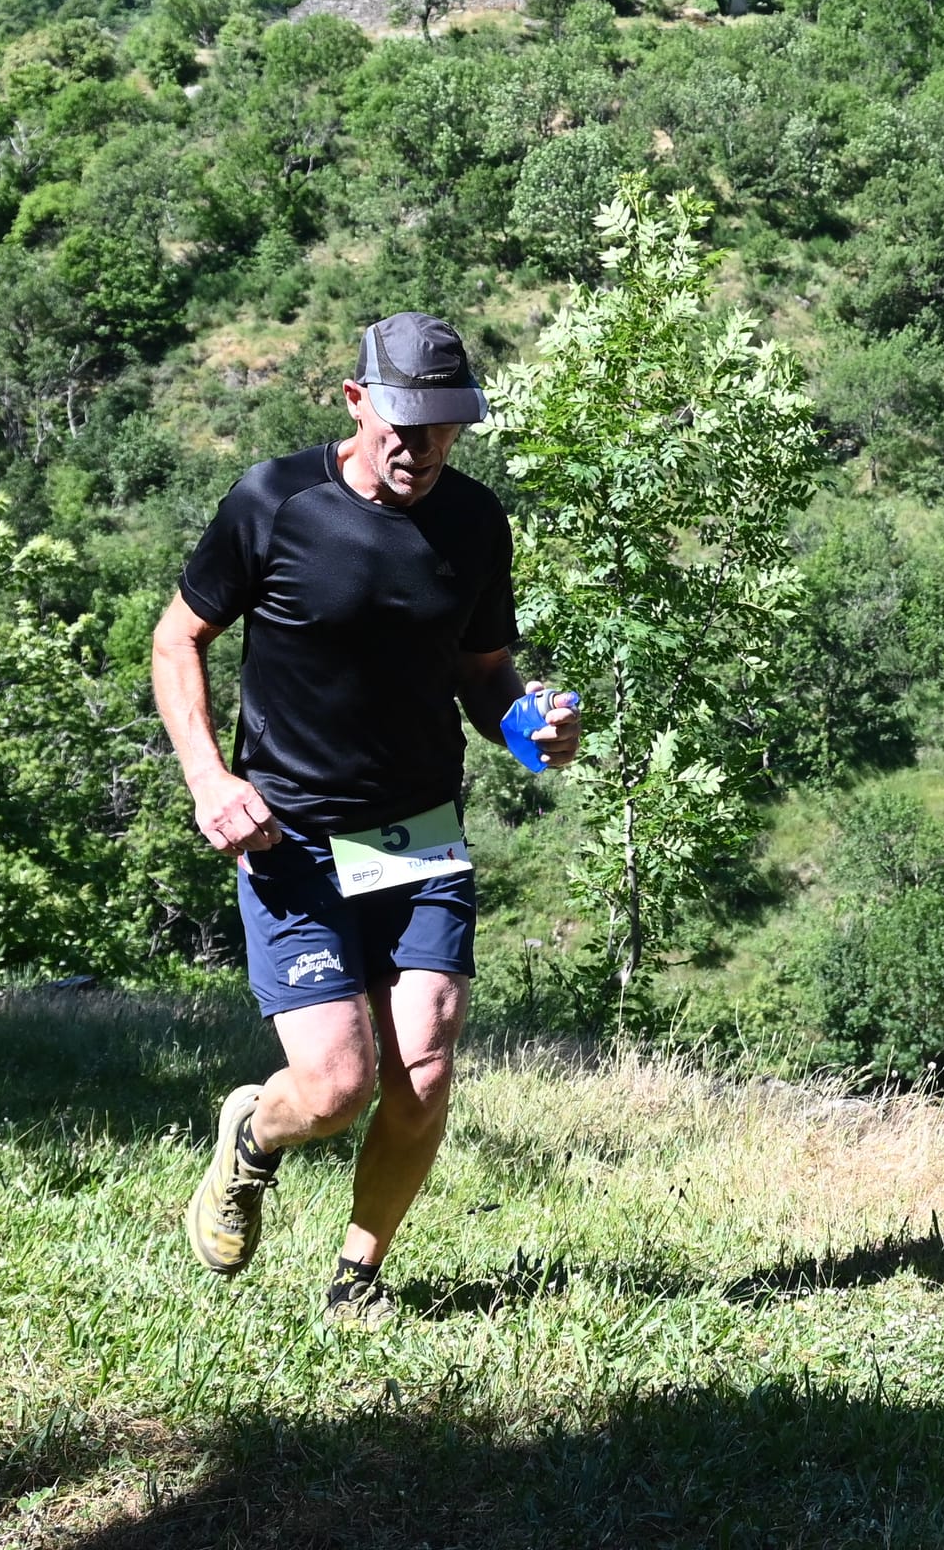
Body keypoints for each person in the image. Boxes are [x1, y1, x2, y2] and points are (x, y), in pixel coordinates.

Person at [150, 311, 580, 1325]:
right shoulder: (274, 501)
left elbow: (482, 672)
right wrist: (210, 779)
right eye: (401, 424)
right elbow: (177, 639)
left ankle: (357, 1277)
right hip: (290, 834)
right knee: (335, 1088)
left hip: (417, 832)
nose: (419, 447)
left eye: (441, 428)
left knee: (422, 1064)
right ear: (355, 402)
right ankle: (254, 1135)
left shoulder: (474, 521)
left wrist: (532, 731)